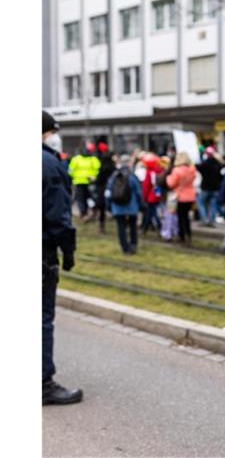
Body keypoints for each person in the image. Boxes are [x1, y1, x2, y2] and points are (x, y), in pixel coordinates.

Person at [42, 110, 83, 405]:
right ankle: (43, 384)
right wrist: (67, 251)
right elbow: (58, 215)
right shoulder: (48, 163)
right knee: (40, 318)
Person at [106, 155, 143, 254]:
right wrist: (140, 204)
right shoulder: (132, 176)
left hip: (117, 207)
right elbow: (138, 192)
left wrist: (109, 206)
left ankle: (124, 247)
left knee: (121, 227)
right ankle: (133, 245)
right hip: (132, 206)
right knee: (133, 226)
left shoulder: (114, 176)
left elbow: (108, 193)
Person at [165, 152, 197, 244]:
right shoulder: (192, 170)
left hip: (180, 196)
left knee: (180, 216)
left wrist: (168, 177)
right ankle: (188, 234)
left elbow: (171, 183)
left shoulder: (177, 170)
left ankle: (181, 236)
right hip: (190, 195)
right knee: (186, 216)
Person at [68, 142, 101, 220]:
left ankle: (83, 213)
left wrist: (74, 177)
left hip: (79, 182)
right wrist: (94, 176)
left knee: (80, 199)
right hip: (90, 182)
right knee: (91, 197)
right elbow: (98, 169)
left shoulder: (75, 159)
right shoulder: (93, 159)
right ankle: (93, 210)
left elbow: (70, 171)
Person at [196, 146, 224, 227]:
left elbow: (198, 168)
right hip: (215, 188)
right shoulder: (218, 164)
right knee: (213, 205)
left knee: (201, 203)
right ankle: (211, 221)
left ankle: (204, 220)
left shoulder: (204, 164)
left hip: (205, 188)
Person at [93, 142, 115, 233]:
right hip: (113, 189)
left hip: (102, 189)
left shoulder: (102, 167)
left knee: (101, 207)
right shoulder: (113, 167)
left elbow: (99, 179)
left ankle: (102, 226)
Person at [140, 153, 163, 234]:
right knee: (151, 212)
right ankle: (146, 228)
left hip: (150, 196)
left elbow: (146, 186)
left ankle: (157, 227)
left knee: (151, 212)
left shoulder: (149, 172)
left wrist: (144, 197)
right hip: (157, 193)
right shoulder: (159, 170)